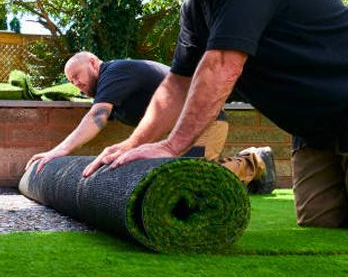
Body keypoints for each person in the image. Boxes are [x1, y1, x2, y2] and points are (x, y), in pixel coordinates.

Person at [83, 0, 348, 228]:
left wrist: (172, 146)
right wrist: (132, 144)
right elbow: (176, 84)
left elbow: (222, 65)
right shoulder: (196, 7)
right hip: (312, 131)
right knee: (319, 228)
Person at [25, 51, 276, 193]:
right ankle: (247, 173)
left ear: (93, 62)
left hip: (205, 120)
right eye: (71, 81)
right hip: (175, 134)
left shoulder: (115, 72)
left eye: (77, 75)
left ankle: (253, 162)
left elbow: (96, 118)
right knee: (171, 181)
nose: (76, 84)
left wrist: (59, 150)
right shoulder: (113, 90)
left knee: (190, 179)